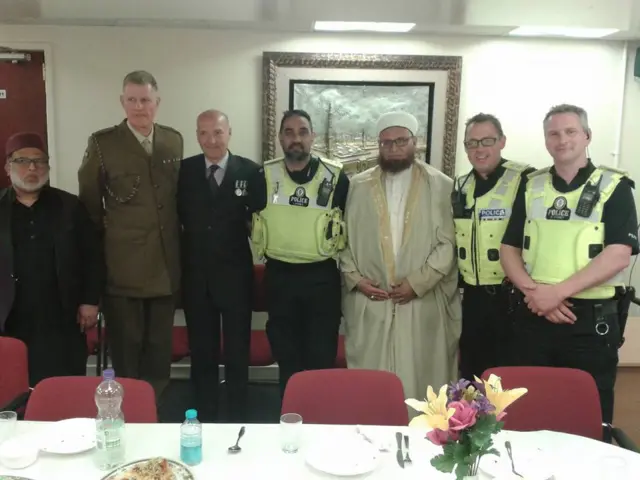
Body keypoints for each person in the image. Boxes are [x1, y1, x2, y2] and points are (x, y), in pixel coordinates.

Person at [500, 103, 639, 428]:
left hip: (590, 323)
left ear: (587, 136)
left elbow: (619, 253)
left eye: (570, 131)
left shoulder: (614, 187)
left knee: (587, 413)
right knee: (529, 408)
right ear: (546, 141)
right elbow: (508, 249)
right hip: (534, 316)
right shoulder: (531, 186)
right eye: (554, 134)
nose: (562, 140)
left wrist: (556, 293)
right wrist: (535, 294)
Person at [339, 112, 462, 401]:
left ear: (414, 142)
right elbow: (341, 239)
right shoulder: (357, 186)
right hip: (372, 298)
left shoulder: (441, 185)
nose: (393, 148)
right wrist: (356, 280)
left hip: (421, 301)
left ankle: (424, 440)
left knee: (422, 379)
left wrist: (417, 283)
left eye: (400, 141)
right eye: (386, 142)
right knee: (370, 382)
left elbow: (449, 244)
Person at [78, 70, 184, 398]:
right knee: (127, 352)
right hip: (123, 271)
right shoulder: (103, 143)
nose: (139, 107)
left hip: (165, 268)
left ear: (158, 102)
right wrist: (92, 282)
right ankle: (129, 417)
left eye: (146, 100)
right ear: (122, 102)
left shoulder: (173, 139)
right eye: (132, 100)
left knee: (159, 351)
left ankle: (156, 413)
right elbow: (90, 213)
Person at [251, 109, 349, 398]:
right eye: (289, 132)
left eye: (303, 131)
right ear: (280, 138)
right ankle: (289, 418)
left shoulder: (337, 178)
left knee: (321, 358)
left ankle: (320, 420)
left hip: (321, 278)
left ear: (313, 136)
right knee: (287, 359)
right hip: (279, 277)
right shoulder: (263, 176)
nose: (296, 138)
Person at [178, 110, 266, 422]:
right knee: (202, 352)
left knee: (237, 352)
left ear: (229, 133)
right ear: (197, 135)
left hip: (235, 277)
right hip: (196, 278)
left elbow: (261, 220)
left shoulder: (251, 171)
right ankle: (204, 415)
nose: (211, 140)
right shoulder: (183, 171)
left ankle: (238, 415)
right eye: (204, 133)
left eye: (217, 132)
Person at [0, 132, 103, 385]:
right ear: (7, 167)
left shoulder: (69, 206)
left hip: (61, 312)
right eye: (22, 161)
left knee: (63, 383)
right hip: (10, 313)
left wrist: (90, 301)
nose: (32, 168)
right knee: (13, 383)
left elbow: (92, 255)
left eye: (40, 161)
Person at [454, 113, 535, 381]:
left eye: (486, 140)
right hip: (473, 300)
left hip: (512, 298)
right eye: (471, 143)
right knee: (472, 375)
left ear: (502, 142)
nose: (479, 149)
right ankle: (472, 423)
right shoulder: (460, 186)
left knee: (510, 376)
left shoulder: (526, 180)